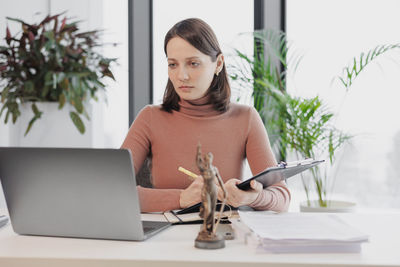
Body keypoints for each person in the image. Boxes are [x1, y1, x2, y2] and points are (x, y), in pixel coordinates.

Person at [121, 18, 290, 213]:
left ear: (218, 63)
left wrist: (255, 197)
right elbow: (111, 190)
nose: (181, 76)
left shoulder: (246, 118)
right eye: (173, 65)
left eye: (193, 64)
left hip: (224, 236)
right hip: (162, 236)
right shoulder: (150, 117)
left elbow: (282, 197)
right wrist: (181, 198)